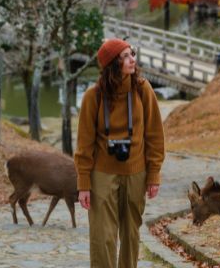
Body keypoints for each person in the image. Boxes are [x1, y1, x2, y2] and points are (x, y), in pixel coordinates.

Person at [74, 38, 165, 268]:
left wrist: (153, 175)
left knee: (131, 234)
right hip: (102, 174)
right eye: (125, 56)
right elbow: (84, 145)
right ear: (112, 64)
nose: (132, 59)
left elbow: (154, 135)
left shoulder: (143, 89)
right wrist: (84, 183)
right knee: (102, 236)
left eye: (131, 53)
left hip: (136, 172)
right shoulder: (93, 97)